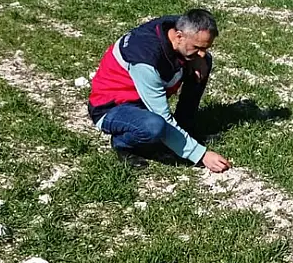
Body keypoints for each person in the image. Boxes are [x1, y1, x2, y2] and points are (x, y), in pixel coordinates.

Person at [88, 9, 231, 173]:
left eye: (205, 47)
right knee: (154, 126)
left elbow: (198, 53)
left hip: (143, 98)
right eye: (197, 47)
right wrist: (202, 155)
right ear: (178, 37)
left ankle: (186, 126)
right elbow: (163, 116)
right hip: (112, 107)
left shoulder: (177, 27)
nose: (202, 53)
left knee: (204, 62)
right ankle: (123, 144)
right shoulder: (145, 59)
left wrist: (197, 58)